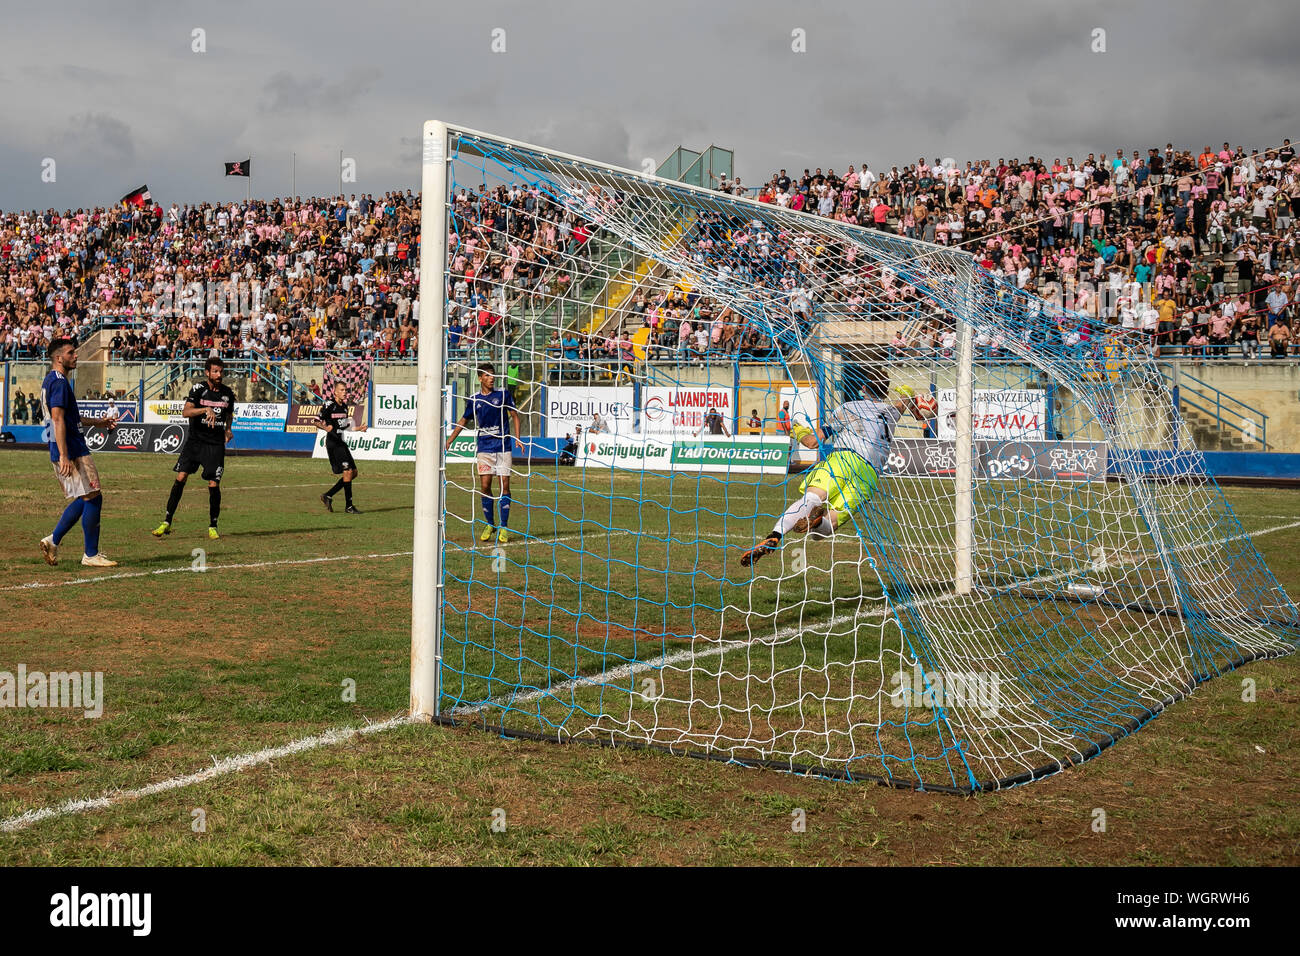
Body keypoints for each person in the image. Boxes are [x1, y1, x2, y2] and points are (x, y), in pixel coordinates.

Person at [740, 373, 933, 568]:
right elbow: (903, 402)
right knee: (830, 524)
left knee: (812, 499)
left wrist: (796, 430)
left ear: (864, 388)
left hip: (844, 458)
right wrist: (907, 393)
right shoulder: (891, 412)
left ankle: (775, 535)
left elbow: (813, 442)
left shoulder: (850, 407)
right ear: (885, 392)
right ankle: (816, 522)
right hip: (869, 473)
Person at [38, 338, 119, 568]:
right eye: (71, 353)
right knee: (94, 495)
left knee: (87, 496)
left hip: (65, 446)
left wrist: (100, 422)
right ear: (58, 358)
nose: (76, 356)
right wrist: (65, 455)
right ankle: (90, 555)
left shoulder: (53, 381)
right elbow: (57, 418)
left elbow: (71, 418)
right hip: (71, 449)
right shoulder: (60, 382)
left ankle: (53, 540)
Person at [152, 356, 235, 539]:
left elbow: (229, 414)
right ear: (207, 373)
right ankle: (166, 521)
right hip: (195, 442)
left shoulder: (228, 393)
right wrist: (205, 410)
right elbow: (186, 412)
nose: (219, 374)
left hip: (215, 445)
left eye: (221, 371)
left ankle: (213, 526)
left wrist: (228, 430)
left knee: (214, 483)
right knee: (181, 477)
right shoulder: (198, 389)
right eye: (215, 371)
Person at [445, 364, 524, 544]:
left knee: (504, 484)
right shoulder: (474, 399)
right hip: (484, 448)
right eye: (487, 376)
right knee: (485, 485)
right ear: (480, 378)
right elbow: (464, 420)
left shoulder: (503, 394)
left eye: (493, 375)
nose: (491, 378)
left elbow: (515, 415)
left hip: (503, 446)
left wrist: (518, 438)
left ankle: (503, 526)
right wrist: (450, 440)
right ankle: (490, 524)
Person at [317, 381, 367, 513]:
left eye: (345, 390)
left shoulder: (344, 407)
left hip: (341, 443)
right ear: (335, 392)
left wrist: (359, 428)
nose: (345, 392)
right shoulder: (329, 405)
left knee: (354, 473)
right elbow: (316, 420)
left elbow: (346, 426)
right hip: (333, 443)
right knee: (348, 472)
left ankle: (328, 495)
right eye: (342, 390)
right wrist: (325, 427)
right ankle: (349, 506)